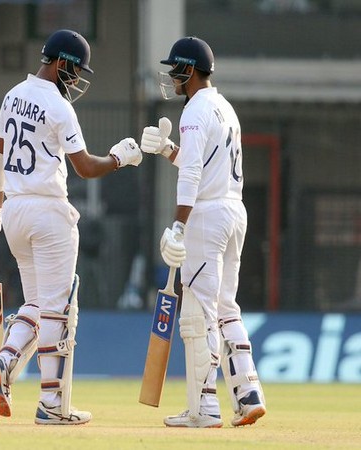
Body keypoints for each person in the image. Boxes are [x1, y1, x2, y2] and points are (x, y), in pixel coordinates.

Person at [0, 29, 143, 425]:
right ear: (62, 63)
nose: (77, 79)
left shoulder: (12, 95)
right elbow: (84, 167)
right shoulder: (58, 106)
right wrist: (119, 158)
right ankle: (52, 404)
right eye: (76, 70)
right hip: (48, 212)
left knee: (35, 305)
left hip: (14, 211)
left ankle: (5, 359)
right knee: (58, 311)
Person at [140, 36, 266, 428]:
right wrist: (167, 150)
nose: (171, 77)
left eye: (175, 70)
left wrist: (179, 223)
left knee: (198, 313)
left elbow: (194, 174)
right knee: (226, 306)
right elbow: (204, 165)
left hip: (207, 218)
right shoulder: (225, 107)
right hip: (234, 211)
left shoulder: (194, 109)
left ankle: (204, 407)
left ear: (189, 70)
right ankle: (247, 393)